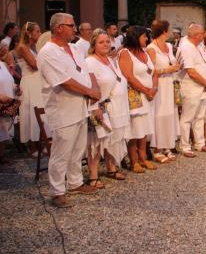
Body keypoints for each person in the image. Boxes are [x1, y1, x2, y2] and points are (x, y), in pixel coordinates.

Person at [37, 13, 101, 208]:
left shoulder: (73, 48)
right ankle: (57, 191)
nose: (75, 29)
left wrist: (94, 86)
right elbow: (64, 81)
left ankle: (75, 182)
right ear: (58, 28)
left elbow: (86, 70)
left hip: (80, 106)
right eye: (71, 25)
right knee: (61, 151)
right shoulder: (48, 52)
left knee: (77, 148)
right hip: (63, 108)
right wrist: (89, 90)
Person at [85, 29, 129, 188]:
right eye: (101, 42)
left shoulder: (110, 60)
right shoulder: (90, 61)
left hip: (117, 107)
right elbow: (89, 85)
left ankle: (111, 168)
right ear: (93, 44)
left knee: (114, 139)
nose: (105, 44)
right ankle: (93, 176)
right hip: (100, 107)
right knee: (96, 142)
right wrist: (95, 107)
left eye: (107, 42)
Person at [118, 26, 158, 172]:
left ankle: (143, 158)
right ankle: (133, 160)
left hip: (148, 96)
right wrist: (146, 90)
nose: (147, 39)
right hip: (135, 96)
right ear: (135, 37)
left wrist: (153, 88)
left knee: (145, 129)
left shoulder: (145, 52)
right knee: (135, 129)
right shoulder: (125, 53)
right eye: (144, 36)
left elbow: (154, 72)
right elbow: (129, 76)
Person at [178, 24, 206, 156]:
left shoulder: (198, 46)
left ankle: (199, 143)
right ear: (196, 35)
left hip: (202, 87)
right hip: (191, 87)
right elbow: (191, 71)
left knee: (200, 117)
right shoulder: (186, 47)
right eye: (201, 33)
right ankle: (185, 146)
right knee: (187, 118)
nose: (203, 35)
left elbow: (204, 65)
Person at [147, 20, 180, 163]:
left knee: (169, 113)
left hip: (170, 83)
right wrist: (168, 69)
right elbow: (151, 70)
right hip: (159, 84)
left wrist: (176, 67)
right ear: (164, 31)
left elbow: (171, 62)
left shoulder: (168, 46)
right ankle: (156, 148)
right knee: (159, 114)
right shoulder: (151, 48)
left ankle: (167, 145)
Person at [16, 22, 47, 157]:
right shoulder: (22, 47)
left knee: (41, 111)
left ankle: (42, 142)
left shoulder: (35, 47)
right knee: (31, 112)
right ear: (29, 33)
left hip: (37, 82)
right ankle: (32, 147)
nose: (40, 34)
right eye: (37, 31)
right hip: (29, 82)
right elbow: (34, 65)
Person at [0, 43, 17, 164]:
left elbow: (9, 81)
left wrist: (16, 87)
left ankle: (1, 156)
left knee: (4, 131)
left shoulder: (3, 65)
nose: (7, 53)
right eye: (3, 50)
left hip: (7, 102)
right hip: (1, 100)